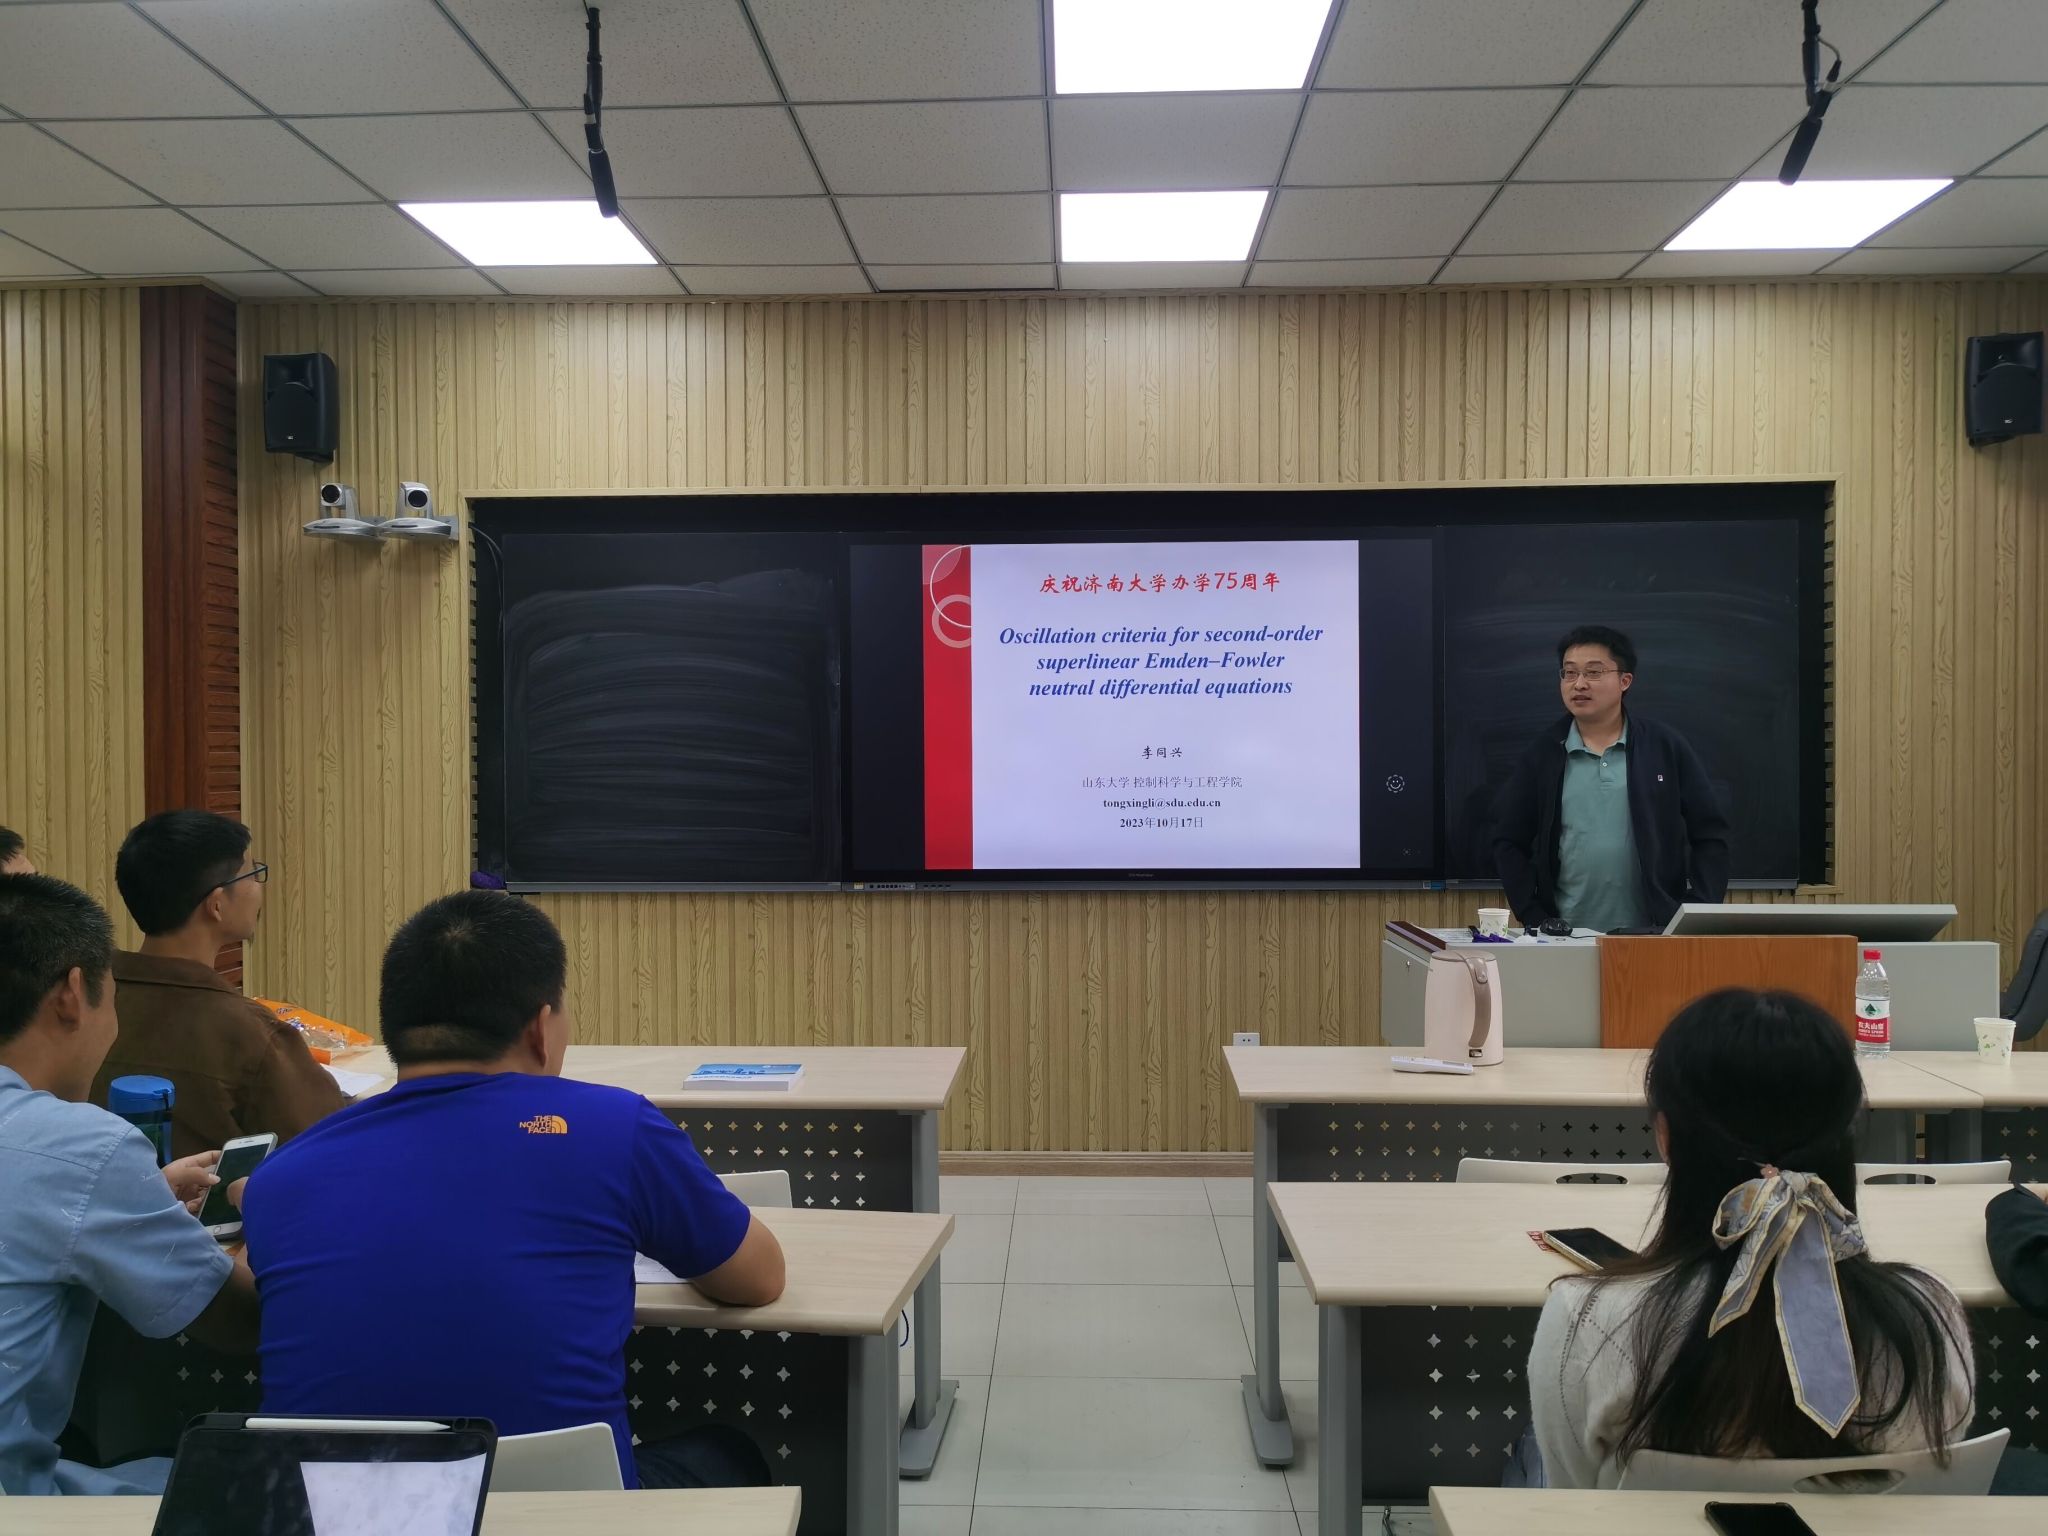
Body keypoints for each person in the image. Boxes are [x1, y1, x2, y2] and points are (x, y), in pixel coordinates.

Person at [242, 890, 787, 1490]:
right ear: (541, 1028)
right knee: (726, 1452)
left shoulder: (279, 1177)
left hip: (339, 1514)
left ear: (395, 1029)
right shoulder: (614, 1127)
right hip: (565, 1513)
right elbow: (758, 1279)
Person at [1526, 989, 1974, 1489]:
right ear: (1845, 1136)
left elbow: (1573, 1501)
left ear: (1666, 1137)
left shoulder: (1586, 1320)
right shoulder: (1931, 1316)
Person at [0, 873, 260, 1496]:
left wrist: (137, 1196)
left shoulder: (80, 1164)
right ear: (72, 994)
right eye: (112, 999)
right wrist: (270, 1214)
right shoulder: (84, 1147)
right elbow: (237, 1320)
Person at [94, 809, 344, 1160]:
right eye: (253, 874)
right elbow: (328, 1144)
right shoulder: (249, 1032)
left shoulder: (86, 999)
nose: (259, 889)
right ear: (216, 905)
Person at [1489, 625, 1731, 933]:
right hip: (1566, 938)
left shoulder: (1663, 747)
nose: (1579, 684)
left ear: (1624, 681)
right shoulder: (1544, 753)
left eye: (1593, 672)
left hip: (1654, 935)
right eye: (1569, 673)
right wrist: (1533, 914)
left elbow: (1711, 834)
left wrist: (1696, 909)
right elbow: (1508, 841)